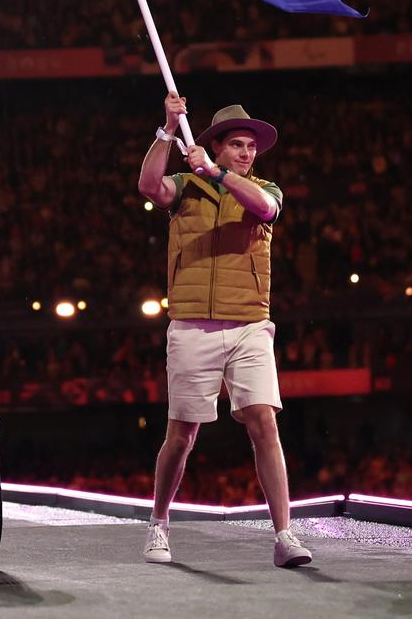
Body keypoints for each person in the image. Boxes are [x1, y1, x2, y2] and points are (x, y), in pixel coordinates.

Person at [138, 93, 312, 569]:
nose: (246, 153)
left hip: (249, 325)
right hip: (192, 325)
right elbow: (149, 186)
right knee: (182, 435)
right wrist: (167, 130)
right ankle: (158, 525)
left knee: (263, 421)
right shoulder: (185, 187)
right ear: (216, 145)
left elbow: (266, 209)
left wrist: (219, 175)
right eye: (237, 145)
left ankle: (284, 535)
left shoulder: (264, 188)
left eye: (251, 147)